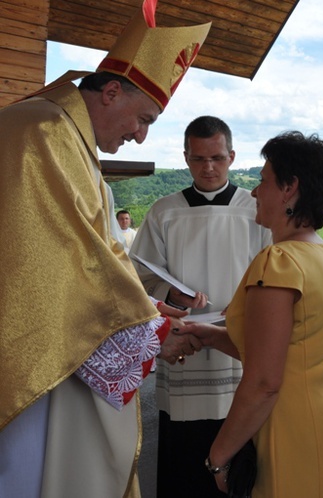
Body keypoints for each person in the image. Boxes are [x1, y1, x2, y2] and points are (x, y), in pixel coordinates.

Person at [0, 2, 210, 496]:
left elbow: (90, 256)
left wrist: (152, 311)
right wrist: (155, 330)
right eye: (143, 119)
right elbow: (58, 267)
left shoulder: (63, 136)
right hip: (33, 358)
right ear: (111, 92)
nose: (140, 136)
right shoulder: (42, 133)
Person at [180, 131, 323, 497]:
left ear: (288, 188)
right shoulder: (321, 254)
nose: (253, 192)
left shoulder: (279, 262)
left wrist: (219, 454)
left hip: (294, 425)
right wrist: (213, 337)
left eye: (263, 181)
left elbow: (265, 380)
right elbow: (294, 349)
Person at [129, 115, 271, 497]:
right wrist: (171, 296)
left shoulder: (256, 211)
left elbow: (272, 273)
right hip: (184, 343)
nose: (208, 167)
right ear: (186, 158)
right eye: (198, 159)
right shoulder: (164, 211)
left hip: (236, 346)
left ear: (232, 156)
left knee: (240, 452)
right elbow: (137, 278)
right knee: (184, 457)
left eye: (217, 158)